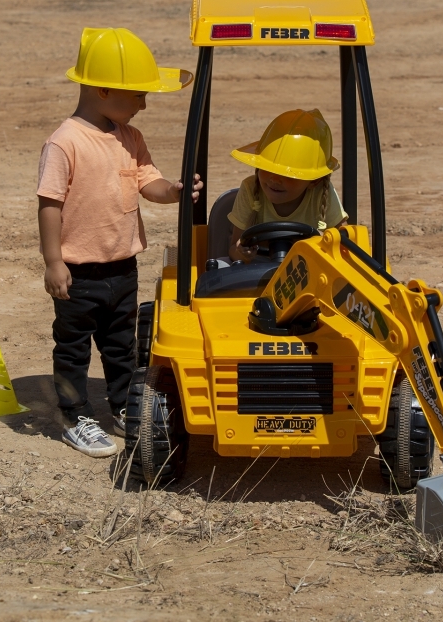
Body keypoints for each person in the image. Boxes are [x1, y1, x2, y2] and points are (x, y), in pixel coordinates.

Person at [36, 27, 201, 458]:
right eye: (138, 94)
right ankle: (75, 416)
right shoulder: (64, 142)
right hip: (78, 271)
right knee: (72, 349)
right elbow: (49, 204)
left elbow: (150, 184)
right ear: (103, 89)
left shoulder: (131, 138)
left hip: (123, 267)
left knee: (120, 345)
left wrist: (176, 191)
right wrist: (54, 262)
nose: (145, 103)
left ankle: (125, 405)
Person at [227, 108, 347, 263]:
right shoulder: (250, 189)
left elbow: (347, 243)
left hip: (310, 273)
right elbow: (233, 251)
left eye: (288, 175)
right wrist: (241, 252)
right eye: (268, 168)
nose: (275, 179)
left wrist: (327, 242)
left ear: (314, 181)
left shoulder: (321, 193)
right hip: (257, 273)